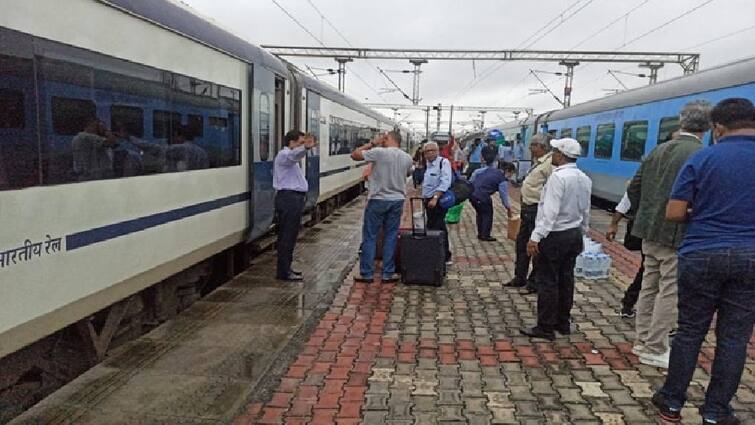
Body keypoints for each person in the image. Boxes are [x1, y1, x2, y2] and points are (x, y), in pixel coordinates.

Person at [651, 98, 755, 425]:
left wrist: (703, 212)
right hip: (751, 257)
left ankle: (671, 402)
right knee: (734, 337)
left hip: (701, 254)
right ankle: (715, 411)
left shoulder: (704, 157)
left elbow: (674, 212)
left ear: (717, 127)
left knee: (690, 332)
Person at [627, 99, 712, 368]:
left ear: (681, 121)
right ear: (708, 126)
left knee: (649, 286)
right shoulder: (700, 154)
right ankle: (655, 346)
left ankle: (641, 340)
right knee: (669, 291)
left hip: (649, 231)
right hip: (678, 234)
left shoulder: (658, 150)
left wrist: (645, 214)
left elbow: (634, 188)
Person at [520, 138, 591, 340]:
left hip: (556, 235)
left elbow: (549, 213)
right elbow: (586, 210)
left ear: (561, 155)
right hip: (574, 234)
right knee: (566, 279)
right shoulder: (584, 178)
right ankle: (563, 322)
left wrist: (535, 237)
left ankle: (545, 326)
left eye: (554, 151)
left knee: (548, 280)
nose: (552, 155)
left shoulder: (558, 178)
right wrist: (583, 231)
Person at [351, 131, 413, 283]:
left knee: (370, 236)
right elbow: (407, 174)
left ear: (388, 139)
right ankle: (387, 273)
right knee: (391, 236)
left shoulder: (378, 152)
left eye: (384, 138)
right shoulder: (407, 157)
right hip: (397, 200)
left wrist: (373, 143)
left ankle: (367, 273)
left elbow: (355, 155)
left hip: (378, 199)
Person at [505, 133, 554, 293]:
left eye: (533, 145)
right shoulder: (538, 162)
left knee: (536, 247)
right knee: (521, 244)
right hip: (527, 209)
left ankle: (534, 283)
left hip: (536, 210)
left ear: (542, 147)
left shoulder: (549, 164)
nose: (530, 149)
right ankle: (520, 277)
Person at [273, 130, 316, 281]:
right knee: (287, 236)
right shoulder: (284, 155)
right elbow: (294, 155)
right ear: (291, 142)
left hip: (292, 199)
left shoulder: (289, 159)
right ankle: (283, 272)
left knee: (290, 236)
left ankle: (286, 268)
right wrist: (306, 148)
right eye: (300, 142)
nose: (301, 146)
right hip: (289, 199)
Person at [605, 190, 644, 318]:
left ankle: (629, 303)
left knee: (647, 270)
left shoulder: (646, 177)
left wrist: (613, 224)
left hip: (644, 230)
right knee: (651, 271)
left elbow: (625, 203)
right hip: (658, 235)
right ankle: (630, 303)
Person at [469, 146, 514, 241]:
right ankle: (485, 235)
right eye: (511, 174)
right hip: (483, 196)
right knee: (487, 214)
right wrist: (508, 208)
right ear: (507, 171)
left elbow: (471, 182)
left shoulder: (480, 171)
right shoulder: (502, 178)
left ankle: (480, 233)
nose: (511, 176)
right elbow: (503, 196)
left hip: (472, 196)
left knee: (480, 213)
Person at [421, 142, 453, 265]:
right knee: (432, 225)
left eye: (432, 150)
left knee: (439, 226)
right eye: (427, 151)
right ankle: (435, 252)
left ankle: (445, 255)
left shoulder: (443, 163)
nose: (429, 153)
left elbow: (445, 182)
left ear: (437, 151)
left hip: (438, 201)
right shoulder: (427, 165)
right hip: (427, 200)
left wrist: (435, 198)